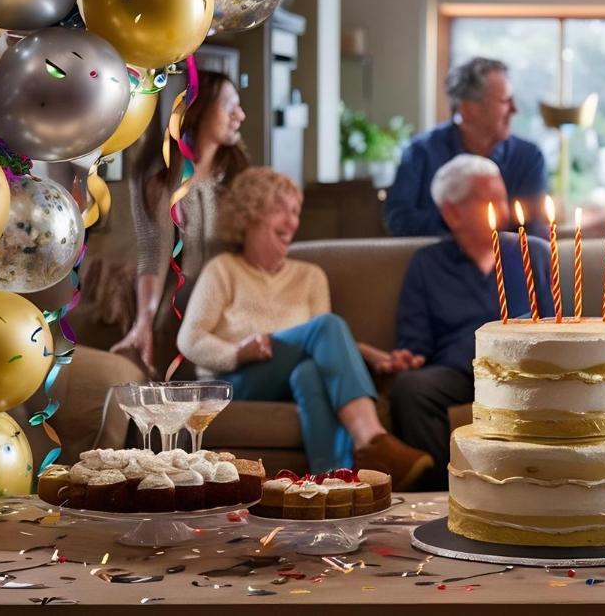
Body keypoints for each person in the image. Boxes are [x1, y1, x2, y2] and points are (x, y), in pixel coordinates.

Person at [177, 167, 432, 485]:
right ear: (250, 213)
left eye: (296, 211)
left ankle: (331, 483)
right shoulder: (223, 270)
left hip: (290, 378)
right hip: (236, 380)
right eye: (281, 209)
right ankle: (371, 439)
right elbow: (190, 339)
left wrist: (370, 355)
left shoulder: (310, 277)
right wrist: (238, 353)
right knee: (325, 326)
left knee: (310, 371)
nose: (292, 221)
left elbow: (323, 348)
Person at [389, 155, 555, 486]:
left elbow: (555, 323)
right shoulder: (427, 264)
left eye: (502, 196)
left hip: (521, 371)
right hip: (459, 371)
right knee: (410, 388)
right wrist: (409, 356)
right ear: (452, 212)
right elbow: (415, 340)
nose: (502, 209)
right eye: (489, 199)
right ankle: (442, 491)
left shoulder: (532, 252)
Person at [114, 70, 249, 376]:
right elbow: (153, 251)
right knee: (178, 313)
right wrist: (143, 321)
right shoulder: (158, 178)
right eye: (229, 105)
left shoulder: (238, 173)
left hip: (234, 295)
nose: (240, 115)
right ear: (196, 110)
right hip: (184, 300)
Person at [385, 58, 547, 238]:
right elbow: (398, 221)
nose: (515, 109)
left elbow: (532, 232)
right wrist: (460, 220)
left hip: (505, 257)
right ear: (469, 109)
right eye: (505, 101)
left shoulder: (529, 157)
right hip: (436, 256)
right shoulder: (420, 152)